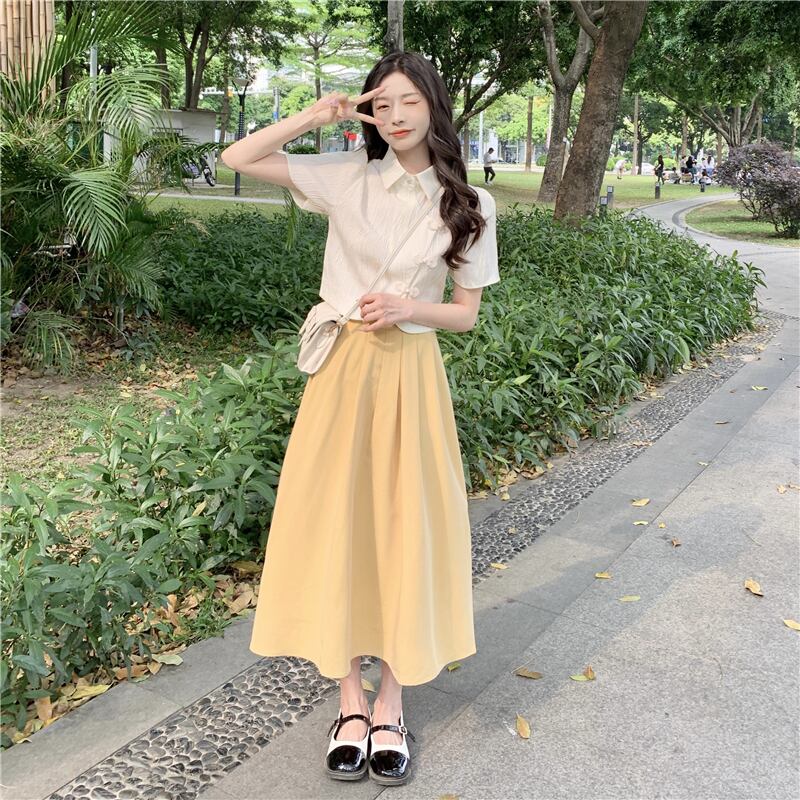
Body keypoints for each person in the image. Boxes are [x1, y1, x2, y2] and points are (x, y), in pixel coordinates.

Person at [220, 51, 497, 786]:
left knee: (405, 528)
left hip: (411, 375)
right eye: (383, 102)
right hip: (341, 372)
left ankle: (391, 703)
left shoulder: (467, 201)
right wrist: (318, 115)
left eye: (410, 101)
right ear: (370, 110)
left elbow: (465, 314)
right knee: (336, 523)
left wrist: (409, 308)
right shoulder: (347, 177)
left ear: (434, 106)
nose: (396, 116)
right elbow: (237, 157)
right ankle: (349, 698)